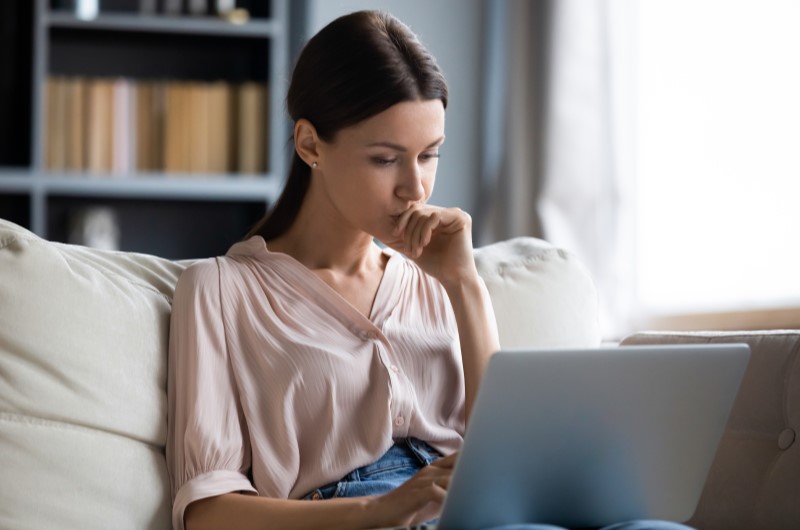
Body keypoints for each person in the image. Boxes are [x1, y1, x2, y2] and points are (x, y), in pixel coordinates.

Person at [166, 10, 695, 530]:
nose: (415, 188)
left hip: (476, 513)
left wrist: (464, 285)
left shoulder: (436, 278)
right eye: (385, 158)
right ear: (309, 144)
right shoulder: (220, 290)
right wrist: (381, 509)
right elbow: (208, 511)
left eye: (429, 155)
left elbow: (505, 457)